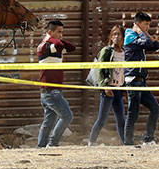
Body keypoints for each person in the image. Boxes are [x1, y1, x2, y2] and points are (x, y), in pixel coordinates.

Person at [123, 11, 159, 145]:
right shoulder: (130, 36)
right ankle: (128, 143)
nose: (147, 27)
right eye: (145, 24)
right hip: (133, 80)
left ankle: (149, 139)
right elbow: (147, 43)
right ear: (137, 24)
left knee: (155, 109)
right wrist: (142, 33)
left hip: (142, 81)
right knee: (133, 113)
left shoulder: (140, 35)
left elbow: (157, 45)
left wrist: (144, 33)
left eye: (148, 24)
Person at [35, 19, 77, 148]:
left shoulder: (54, 46)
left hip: (52, 91)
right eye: (58, 32)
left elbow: (71, 48)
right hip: (50, 91)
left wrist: (57, 38)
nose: (61, 35)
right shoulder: (45, 46)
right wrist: (51, 38)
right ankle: (53, 143)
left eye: (62, 32)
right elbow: (59, 45)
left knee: (49, 121)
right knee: (67, 116)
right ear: (50, 32)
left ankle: (41, 146)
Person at [87, 24, 126, 146]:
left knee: (121, 119)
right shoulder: (107, 51)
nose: (116, 37)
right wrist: (104, 86)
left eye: (119, 34)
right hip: (108, 89)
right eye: (114, 34)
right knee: (102, 119)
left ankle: (125, 142)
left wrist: (124, 87)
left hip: (118, 89)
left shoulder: (124, 52)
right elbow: (100, 69)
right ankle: (91, 142)